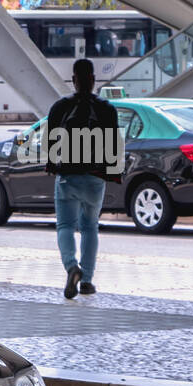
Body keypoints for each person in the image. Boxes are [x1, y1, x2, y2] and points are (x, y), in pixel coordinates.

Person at [44, 57, 121, 298]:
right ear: (94, 79)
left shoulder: (60, 107)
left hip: (68, 176)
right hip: (95, 178)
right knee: (90, 227)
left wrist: (52, 165)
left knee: (65, 225)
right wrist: (113, 172)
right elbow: (114, 144)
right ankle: (87, 280)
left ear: (74, 80)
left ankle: (71, 267)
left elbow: (50, 142)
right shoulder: (107, 108)